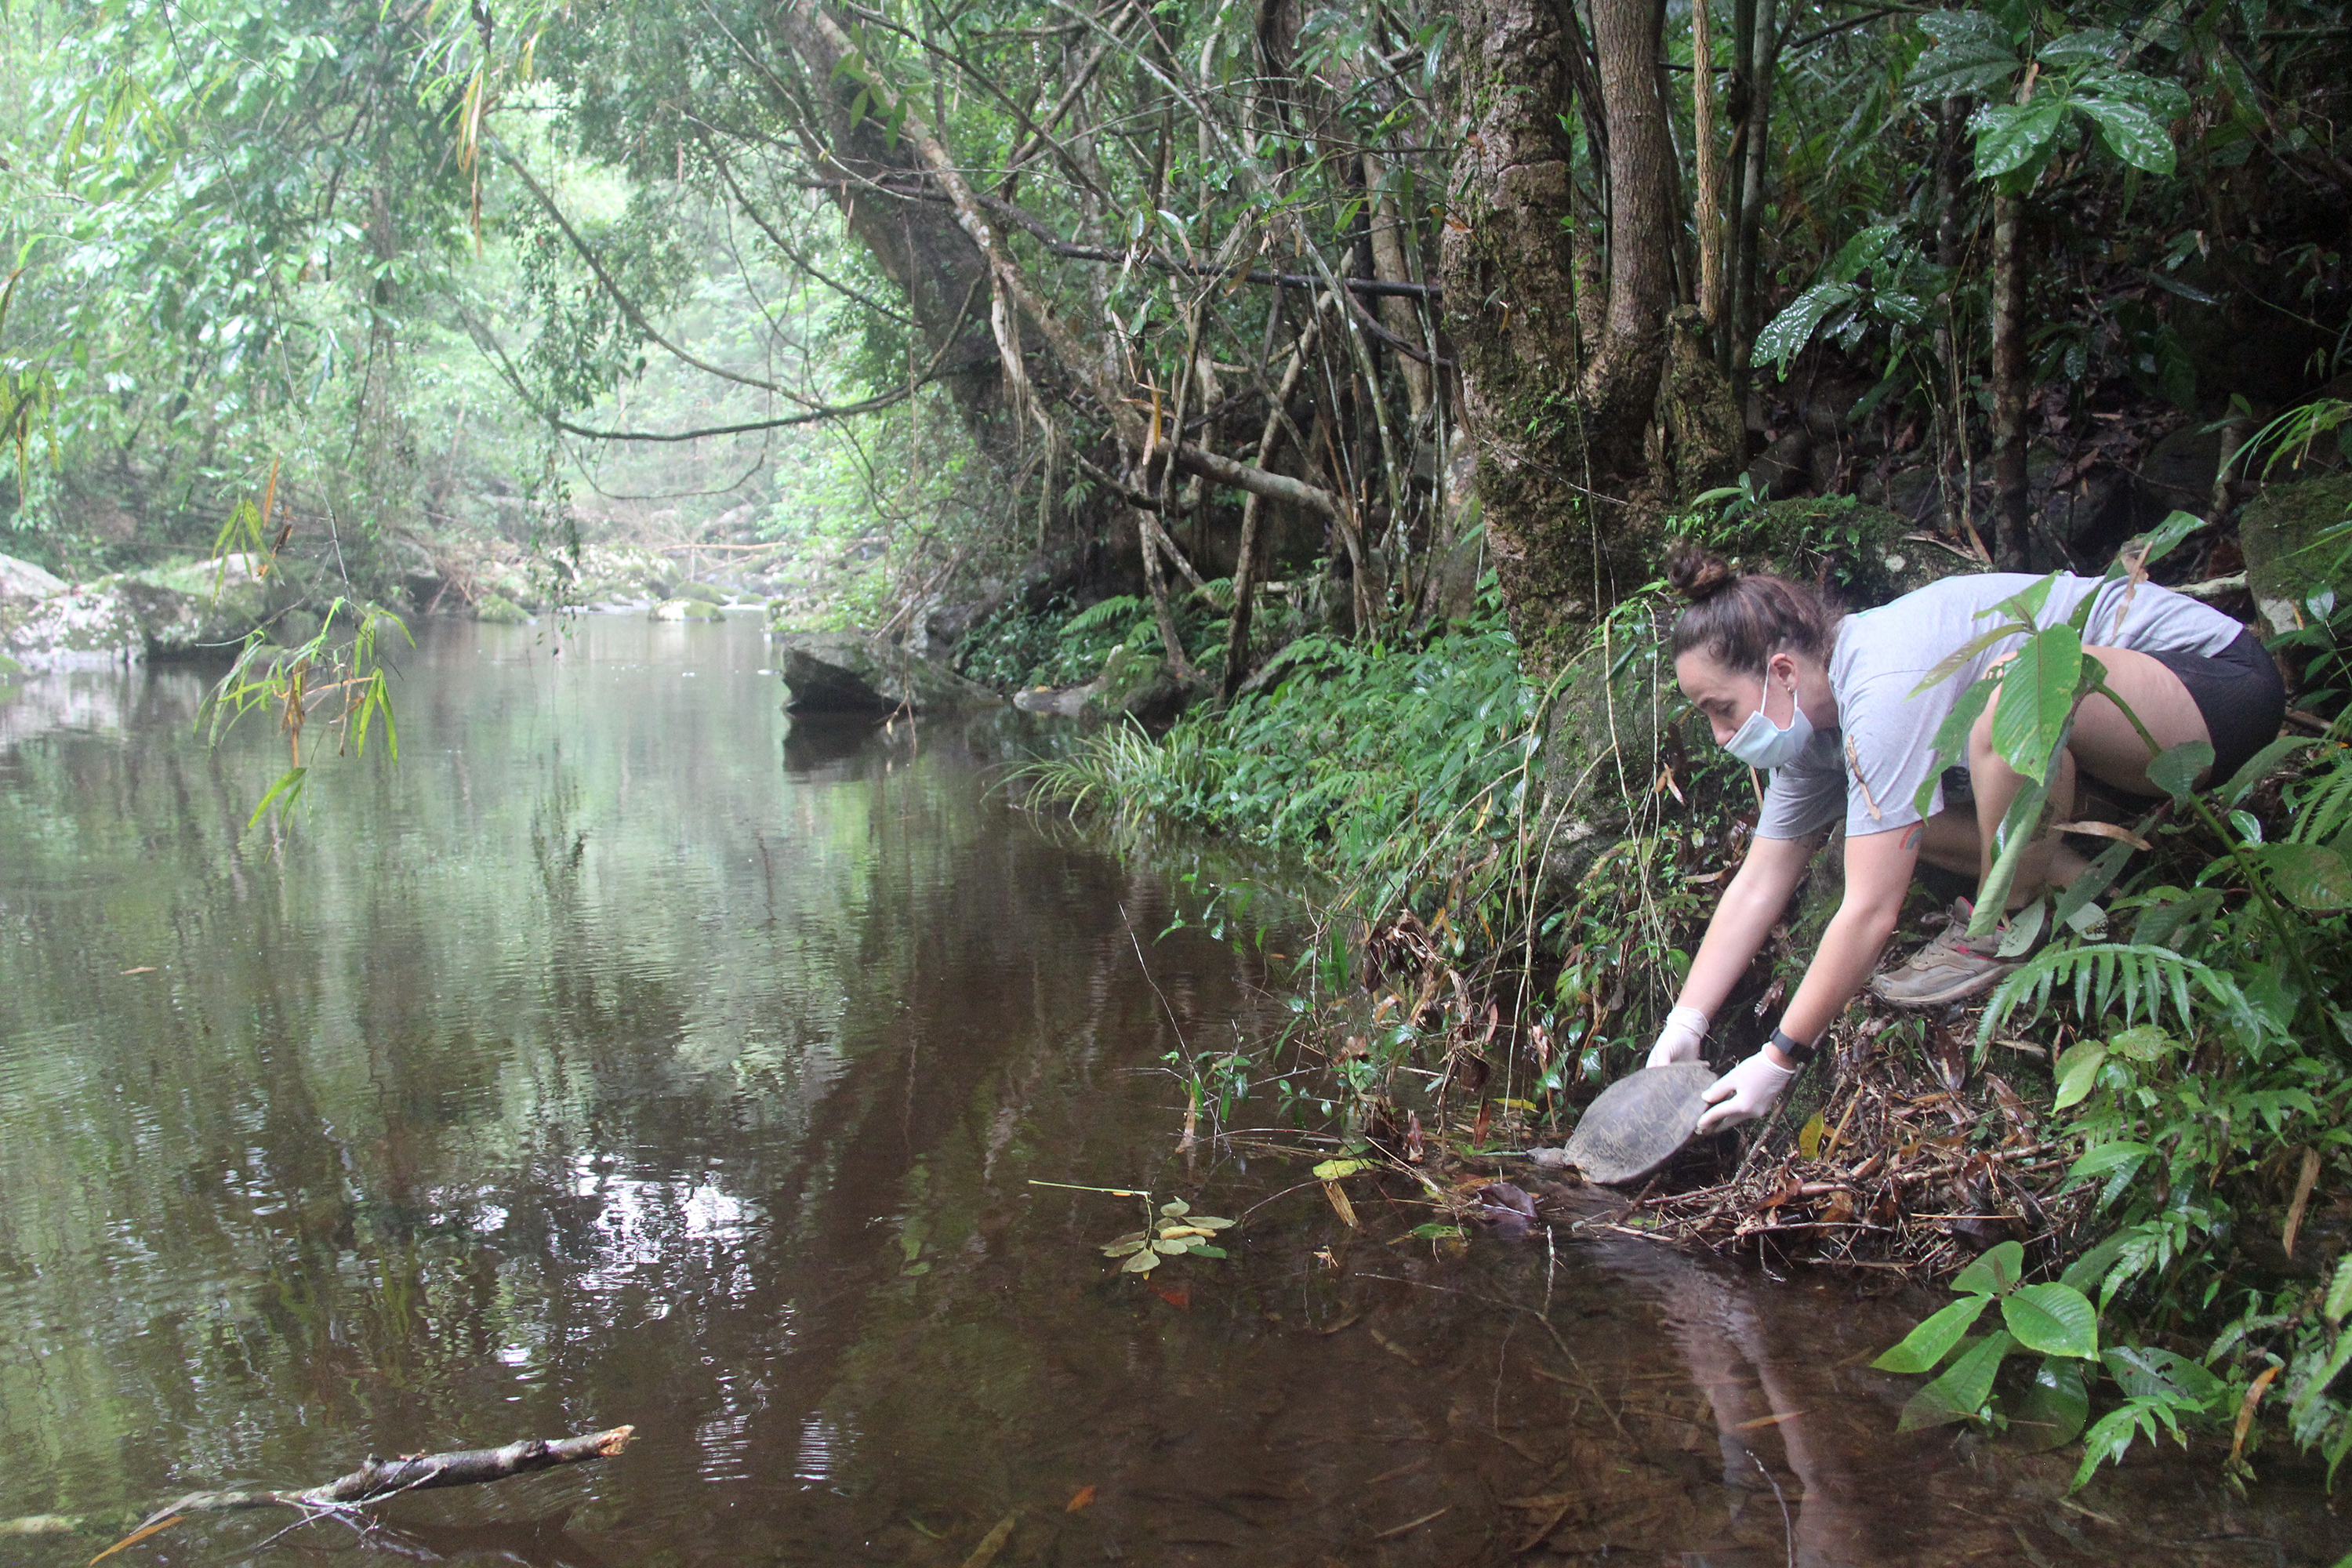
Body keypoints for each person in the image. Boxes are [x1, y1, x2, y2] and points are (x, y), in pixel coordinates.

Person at [1650, 543, 2285, 1134]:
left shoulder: (1879, 684)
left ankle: (2003, 923)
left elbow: (1871, 910)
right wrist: (1688, 1020)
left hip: (2210, 691)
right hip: (2103, 757)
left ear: (1783, 671)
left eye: (1722, 709)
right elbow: (1761, 879)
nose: (1721, 737)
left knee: (2016, 689)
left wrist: (1781, 1059)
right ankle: (2076, 877)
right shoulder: (1816, 735)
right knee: (1873, 823)